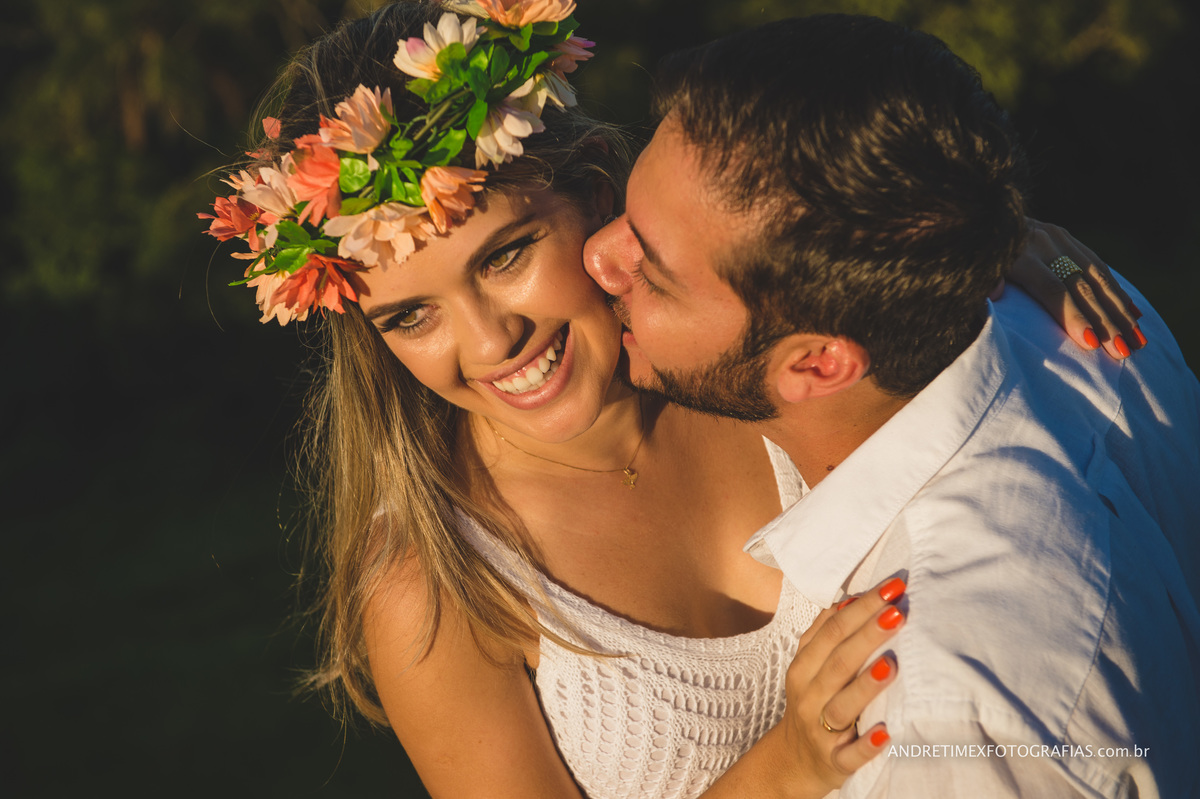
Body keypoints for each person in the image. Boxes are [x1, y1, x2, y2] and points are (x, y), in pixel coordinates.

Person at [200, 3, 1141, 797]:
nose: (489, 343)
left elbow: (855, 262)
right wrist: (783, 768)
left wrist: (1001, 241)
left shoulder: (724, 361)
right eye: (411, 316)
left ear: (596, 193)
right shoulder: (437, 579)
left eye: (507, 255)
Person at [584, 13, 1200, 798]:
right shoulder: (1081, 313)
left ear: (817, 361)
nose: (599, 254)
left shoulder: (939, 713)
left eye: (654, 266)